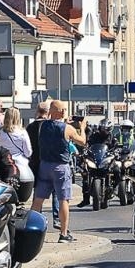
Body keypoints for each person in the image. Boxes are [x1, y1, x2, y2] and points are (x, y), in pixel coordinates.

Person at [32, 99, 86, 243]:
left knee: (38, 200)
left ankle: (32, 231)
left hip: (45, 165)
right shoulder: (67, 129)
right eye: (64, 110)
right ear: (61, 112)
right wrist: (83, 128)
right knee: (63, 200)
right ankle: (63, 233)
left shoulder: (42, 126)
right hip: (61, 167)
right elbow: (82, 142)